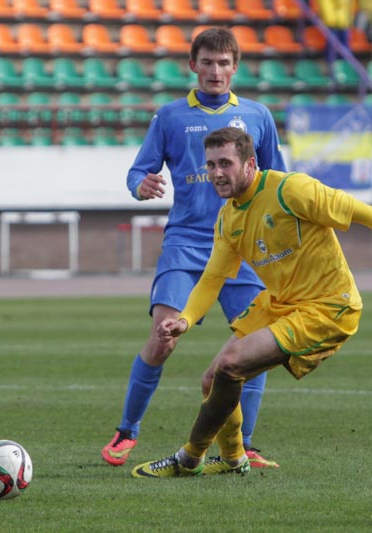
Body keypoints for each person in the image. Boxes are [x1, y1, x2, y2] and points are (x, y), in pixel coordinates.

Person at [131, 127, 372, 478]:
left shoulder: (290, 190)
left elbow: (367, 213)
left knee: (231, 365)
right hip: (280, 303)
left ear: (249, 163)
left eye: (225, 163)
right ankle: (234, 459)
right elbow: (212, 279)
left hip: (328, 307)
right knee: (211, 380)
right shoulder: (228, 218)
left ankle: (189, 458)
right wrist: (185, 320)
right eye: (211, 165)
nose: (217, 173)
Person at [101, 28, 288, 469]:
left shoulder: (258, 116)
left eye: (223, 63)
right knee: (163, 338)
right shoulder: (169, 117)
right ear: (193, 65)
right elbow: (138, 171)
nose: (215, 71)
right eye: (207, 62)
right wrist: (140, 185)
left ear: (235, 67)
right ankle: (127, 431)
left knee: (254, 347)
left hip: (244, 247)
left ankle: (245, 444)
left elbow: (276, 181)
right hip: (186, 245)